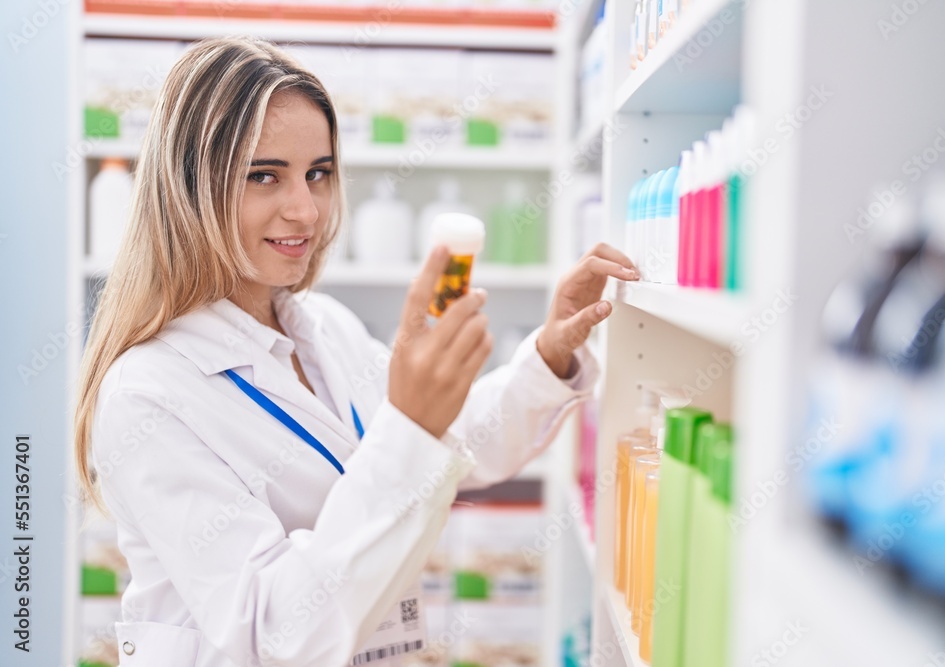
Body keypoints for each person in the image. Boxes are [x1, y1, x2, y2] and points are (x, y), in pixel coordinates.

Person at [73, 36, 639, 667]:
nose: (305, 209)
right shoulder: (147, 394)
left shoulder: (325, 329)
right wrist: (411, 424)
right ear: (188, 188)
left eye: (318, 172)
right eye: (264, 175)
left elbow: (450, 446)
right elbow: (276, 633)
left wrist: (551, 351)